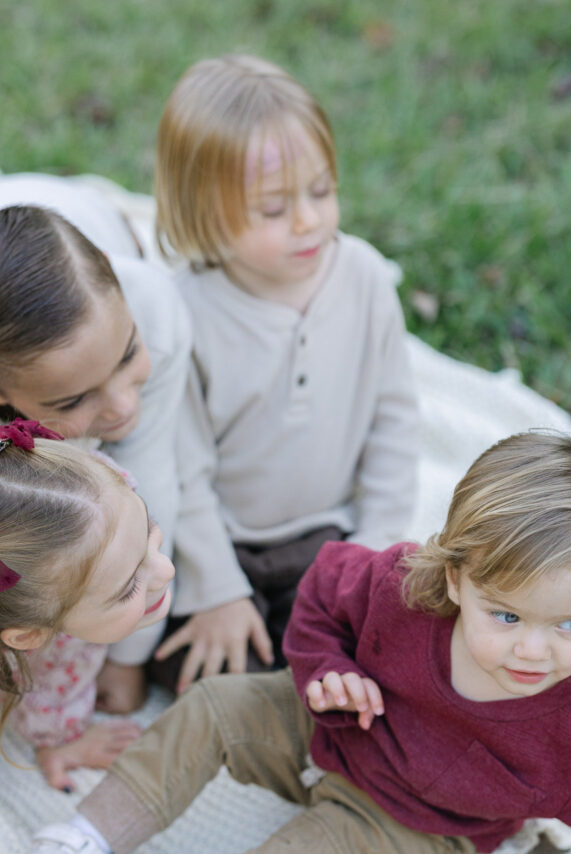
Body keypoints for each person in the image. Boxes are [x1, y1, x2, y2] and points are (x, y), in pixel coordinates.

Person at [0, 429, 571, 854]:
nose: (533, 651)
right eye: (505, 615)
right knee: (216, 708)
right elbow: (320, 595)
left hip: (413, 825)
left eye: (566, 625)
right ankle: (89, 840)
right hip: (338, 726)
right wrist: (327, 670)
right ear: (455, 578)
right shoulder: (404, 588)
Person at [152, 55, 419, 691]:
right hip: (225, 543)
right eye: (273, 209)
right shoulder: (182, 313)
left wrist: (376, 547)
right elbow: (180, 467)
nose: (307, 220)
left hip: (334, 534)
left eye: (321, 191)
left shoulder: (363, 279)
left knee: (398, 651)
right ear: (203, 211)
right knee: (207, 668)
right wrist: (217, 587)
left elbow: (394, 420)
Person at [0, 194, 191, 711]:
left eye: (127, 357)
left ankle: (111, 210)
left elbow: (156, 478)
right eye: (72, 399)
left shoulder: (156, 309)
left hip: (79, 214)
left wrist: (128, 657)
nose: (122, 407)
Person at [0, 410, 174, 789]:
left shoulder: (82, 502)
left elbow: (64, 651)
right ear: (26, 636)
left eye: (150, 530)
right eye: (128, 587)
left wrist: (57, 734)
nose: (166, 569)